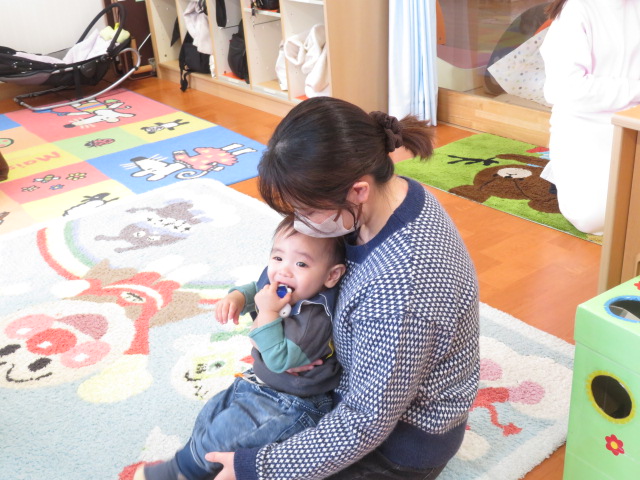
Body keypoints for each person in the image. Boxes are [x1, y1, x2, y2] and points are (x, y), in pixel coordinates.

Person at [205, 96, 480, 479]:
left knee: (238, 463)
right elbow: (298, 267)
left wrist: (259, 468)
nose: (300, 224)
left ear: (358, 190)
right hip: (340, 383)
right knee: (218, 435)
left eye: (308, 211)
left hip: (395, 444)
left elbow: (366, 420)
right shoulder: (387, 196)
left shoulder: (402, 285)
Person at [135, 215, 346, 480]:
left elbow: (278, 360)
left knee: (229, 430)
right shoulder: (282, 282)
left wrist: (267, 312)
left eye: (301, 263)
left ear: (331, 275)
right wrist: (237, 297)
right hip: (259, 382)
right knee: (213, 413)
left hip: (294, 402)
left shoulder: (313, 319)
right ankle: (204, 464)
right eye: (278, 257)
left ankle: (181, 471)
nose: (284, 270)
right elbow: (257, 289)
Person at [539, 0, 640, 234]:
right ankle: (564, 172)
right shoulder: (577, 9)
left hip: (634, 117)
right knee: (597, 219)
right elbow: (565, 89)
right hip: (586, 124)